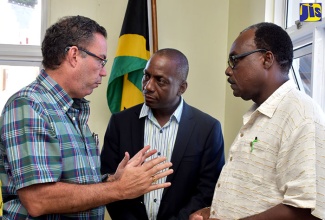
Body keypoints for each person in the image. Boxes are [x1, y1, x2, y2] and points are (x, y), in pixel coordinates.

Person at [0, 15, 174, 219]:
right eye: (101, 60)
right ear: (74, 55)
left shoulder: (73, 108)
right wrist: (120, 188)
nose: (104, 72)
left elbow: (77, 183)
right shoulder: (29, 105)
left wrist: (112, 180)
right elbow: (38, 199)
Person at [190, 22, 325, 220]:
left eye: (235, 60)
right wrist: (213, 211)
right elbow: (257, 198)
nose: (228, 70)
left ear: (267, 59)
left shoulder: (300, 113)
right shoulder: (260, 114)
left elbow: (304, 211)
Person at [100, 48, 225, 220]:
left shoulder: (208, 128)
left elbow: (207, 190)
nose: (148, 86)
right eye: (146, 76)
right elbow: (107, 181)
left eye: (160, 81)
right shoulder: (120, 123)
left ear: (181, 88)